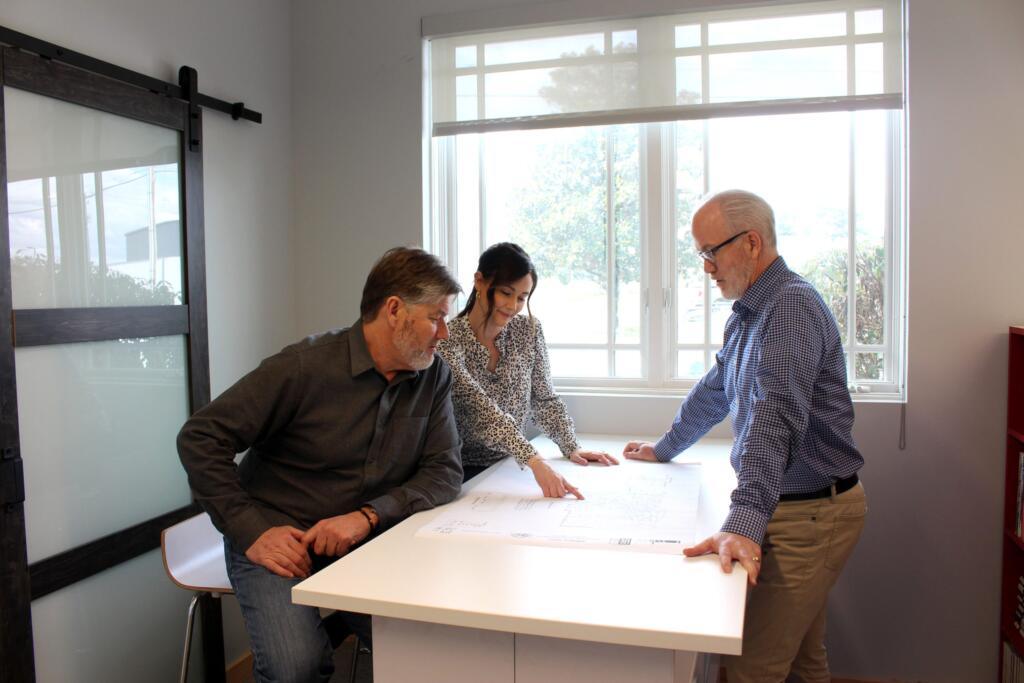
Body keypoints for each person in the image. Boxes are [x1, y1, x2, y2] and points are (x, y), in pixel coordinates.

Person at [176, 247, 463, 683]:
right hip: (279, 537)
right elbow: (200, 437)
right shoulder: (302, 367)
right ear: (394, 311)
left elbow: (444, 470)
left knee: (432, 648)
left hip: (365, 540)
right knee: (297, 668)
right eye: (436, 317)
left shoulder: (433, 376)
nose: (445, 333)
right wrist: (251, 530)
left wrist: (366, 517)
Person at [623, 190, 867, 683]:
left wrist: (745, 519)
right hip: (797, 505)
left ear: (752, 243)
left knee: (751, 670)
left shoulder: (790, 308)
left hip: (811, 515)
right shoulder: (753, 312)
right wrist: (665, 447)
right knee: (803, 660)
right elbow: (717, 389)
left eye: (711, 251)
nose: (707, 267)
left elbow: (773, 419)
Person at [437, 242, 617, 499]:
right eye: (506, 293)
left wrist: (571, 446)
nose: (513, 306)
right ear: (479, 281)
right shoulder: (447, 341)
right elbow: (480, 410)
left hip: (511, 465)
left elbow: (544, 398)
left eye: (522, 297)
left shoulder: (528, 331)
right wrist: (535, 461)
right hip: (464, 471)